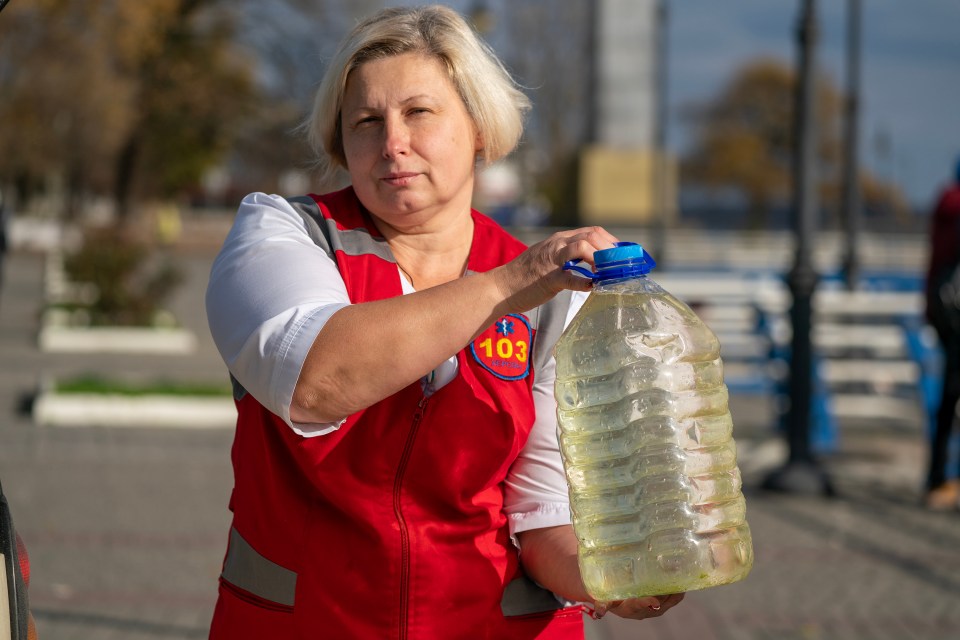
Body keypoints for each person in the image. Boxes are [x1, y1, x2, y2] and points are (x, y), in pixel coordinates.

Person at [205, 6, 684, 638]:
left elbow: (543, 514)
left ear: (480, 130)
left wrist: (609, 579)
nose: (392, 142)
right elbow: (315, 379)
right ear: (340, 145)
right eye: (366, 122)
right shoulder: (285, 232)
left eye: (419, 112)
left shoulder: (551, 296)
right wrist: (511, 283)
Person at [924, 155, 960, 510]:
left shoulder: (946, 204)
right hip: (955, 319)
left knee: (947, 404)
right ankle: (942, 479)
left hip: (948, 316)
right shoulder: (954, 207)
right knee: (950, 400)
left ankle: (937, 478)